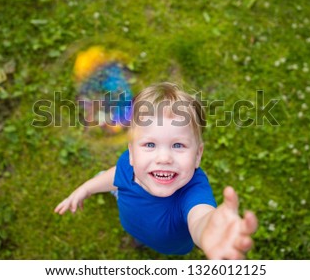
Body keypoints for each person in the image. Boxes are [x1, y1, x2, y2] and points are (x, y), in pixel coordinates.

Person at [54, 82, 258, 259]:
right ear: (132, 152)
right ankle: (137, 236)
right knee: (125, 200)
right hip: (132, 223)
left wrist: (209, 229)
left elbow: (200, 217)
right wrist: (87, 189)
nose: (164, 158)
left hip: (170, 244)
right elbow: (116, 175)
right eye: (150, 145)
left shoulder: (193, 190)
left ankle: (143, 241)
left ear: (198, 155)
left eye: (178, 145)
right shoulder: (129, 165)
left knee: (153, 239)